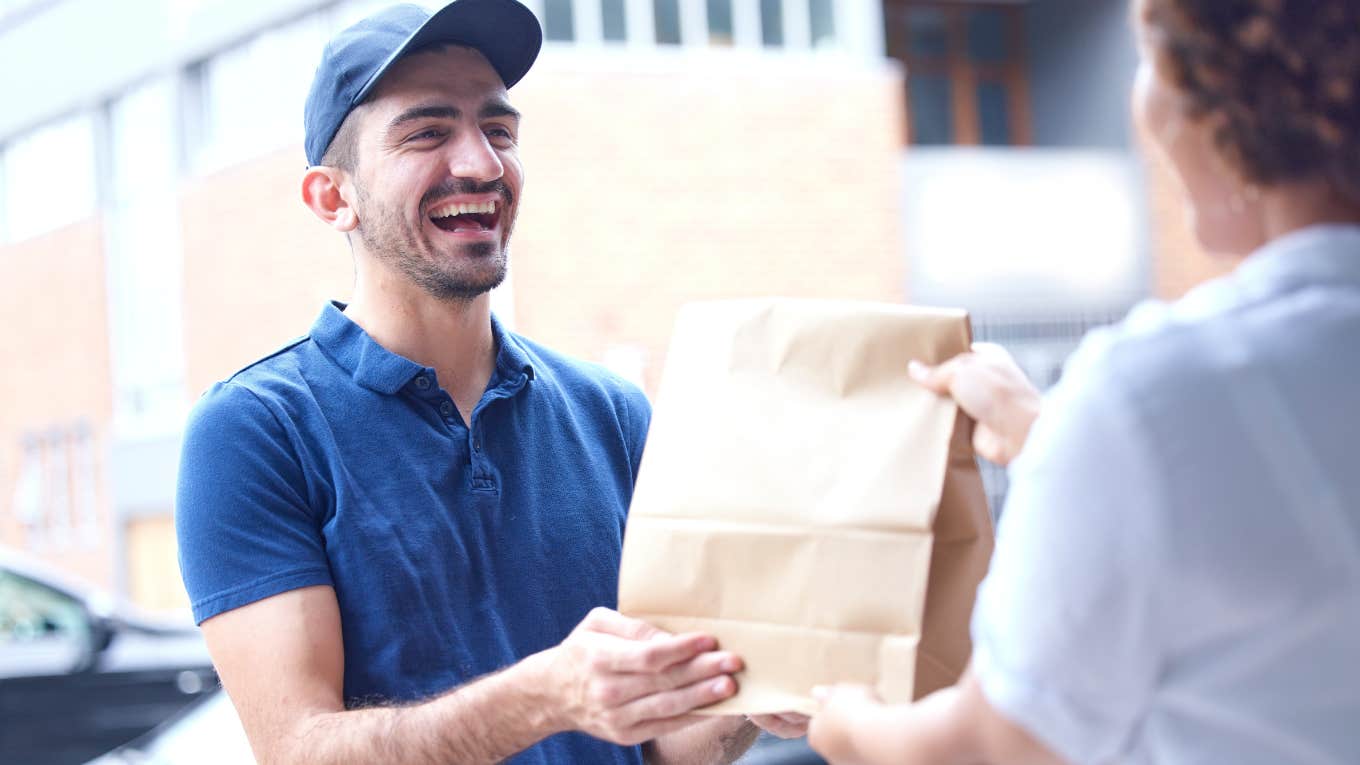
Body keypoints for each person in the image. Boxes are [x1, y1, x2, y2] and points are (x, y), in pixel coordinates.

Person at [174, 2, 806, 763]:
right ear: (332, 196)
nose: (480, 164)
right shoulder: (256, 431)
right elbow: (299, 749)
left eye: (499, 130)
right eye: (428, 132)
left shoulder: (613, 413)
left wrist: (755, 694)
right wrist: (544, 697)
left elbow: (660, 743)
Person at [809, 0, 1360, 763]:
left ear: (1217, 99)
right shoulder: (1163, 409)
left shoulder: (1157, 392)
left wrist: (847, 720)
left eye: (1152, 66)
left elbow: (988, 748)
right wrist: (1054, 435)